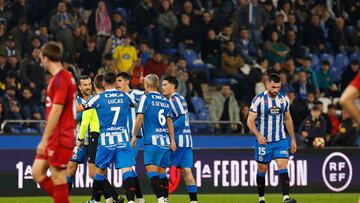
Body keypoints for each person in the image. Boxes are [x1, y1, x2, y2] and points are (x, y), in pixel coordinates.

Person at [32, 42, 77, 203]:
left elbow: (56, 111)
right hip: (57, 135)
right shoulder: (64, 77)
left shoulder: (61, 79)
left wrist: (44, 140)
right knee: (37, 172)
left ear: (45, 58)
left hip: (60, 135)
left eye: (41, 59)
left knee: (58, 179)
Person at [85, 72, 138, 203]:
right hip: (122, 140)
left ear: (103, 83)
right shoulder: (125, 96)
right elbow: (134, 104)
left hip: (106, 141)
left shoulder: (98, 98)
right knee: (127, 169)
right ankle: (131, 201)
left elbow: (83, 107)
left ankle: (96, 200)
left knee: (100, 171)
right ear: (115, 82)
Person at [247, 73, 297, 203]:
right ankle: (261, 198)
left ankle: (286, 198)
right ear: (267, 84)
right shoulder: (258, 100)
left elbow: (288, 119)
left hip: (280, 140)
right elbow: (249, 121)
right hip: (264, 141)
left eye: (278, 87)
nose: (275, 90)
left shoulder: (284, 99)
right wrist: (258, 135)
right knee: (262, 169)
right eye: (273, 87)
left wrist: (292, 139)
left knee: (282, 164)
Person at [78, 75, 124, 203]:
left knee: (94, 173)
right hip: (111, 135)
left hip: (96, 136)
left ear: (94, 85)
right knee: (100, 170)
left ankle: (112, 197)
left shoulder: (95, 100)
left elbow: (85, 120)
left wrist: (80, 138)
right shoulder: (108, 100)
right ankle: (108, 198)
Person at [131, 74, 176, 203]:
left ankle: (161, 199)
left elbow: (139, 118)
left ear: (146, 85)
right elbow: (169, 122)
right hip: (165, 141)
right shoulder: (165, 100)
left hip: (152, 141)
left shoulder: (145, 97)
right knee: (162, 172)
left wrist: (134, 135)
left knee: (151, 172)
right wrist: (172, 140)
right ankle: (165, 198)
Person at [161, 76, 198, 203]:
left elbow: (182, 118)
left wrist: (168, 129)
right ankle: (194, 201)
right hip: (187, 140)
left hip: (176, 141)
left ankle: (164, 199)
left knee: (163, 169)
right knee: (186, 171)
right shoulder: (180, 98)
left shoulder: (174, 98)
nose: (163, 87)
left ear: (172, 86)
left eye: (165, 85)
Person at [116, 72, 145, 203]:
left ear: (127, 82)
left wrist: (145, 85)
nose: (118, 83)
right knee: (128, 168)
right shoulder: (115, 97)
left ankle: (132, 199)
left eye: (120, 81)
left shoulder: (137, 94)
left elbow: (152, 97)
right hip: (121, 137)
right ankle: (140, 198)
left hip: (135, 136)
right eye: (117, 81)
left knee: (126, 166)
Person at [66, 75, 92, 191]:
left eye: (89, 84)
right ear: (80, 87)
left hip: (95, 142)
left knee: (96, 173)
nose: (88, 87)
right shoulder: (75, 102)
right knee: (71, 169)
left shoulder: (96, 100)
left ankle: (102, 198)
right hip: (79, 142)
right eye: (85, 85)